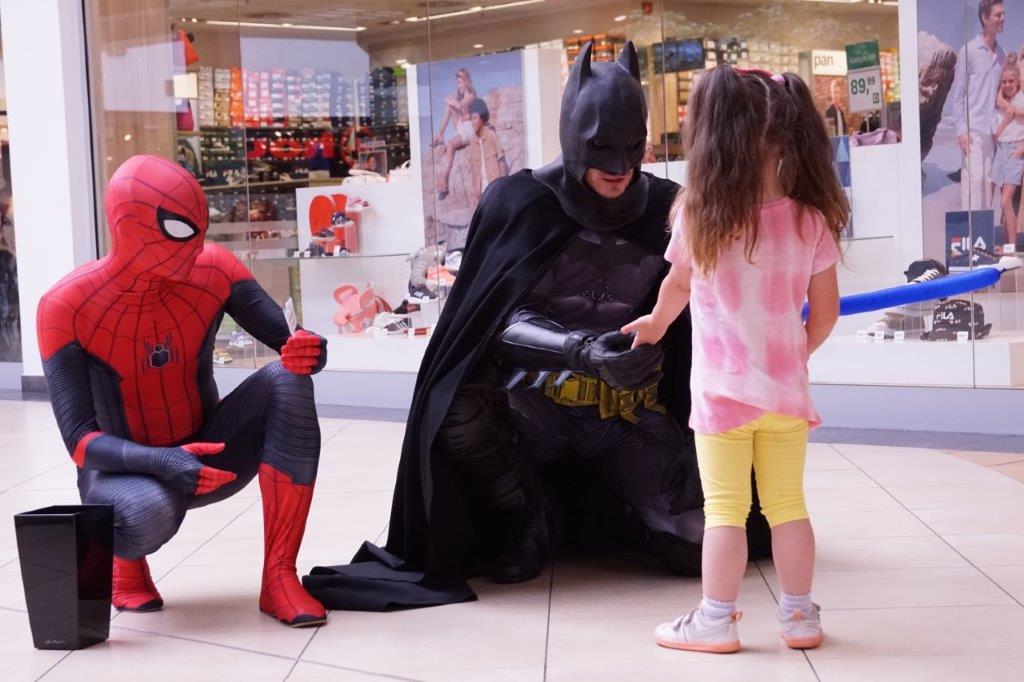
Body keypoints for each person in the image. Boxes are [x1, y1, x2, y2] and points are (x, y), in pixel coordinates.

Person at [303, 42, 771, 611]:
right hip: (534, 407)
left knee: (696, 548)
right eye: (601, 148)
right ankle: (530, 517)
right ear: (573, 137)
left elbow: (708, 322)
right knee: (459, 408)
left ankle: (620, 516)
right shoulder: (520, 203)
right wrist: (578, 350)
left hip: (628, 412)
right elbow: (488, 322)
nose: (618, 168)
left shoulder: (670, 210)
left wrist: (699, 428)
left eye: (631, 149)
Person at [38, 155, 330, 627]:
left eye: (201, 228)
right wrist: (164, 463)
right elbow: (79, 443)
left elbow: (291, 344)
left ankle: (279, 575)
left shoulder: (215, 269)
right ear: (127, 225)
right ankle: (126, 564)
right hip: (128, 475)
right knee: (144, 514)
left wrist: (310, 351)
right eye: (178, 230)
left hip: (211, 452)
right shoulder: (66, 306)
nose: (195, 245)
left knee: (287, 379)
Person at [623, 66, 846, 653]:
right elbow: (825, 313)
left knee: (724, 509)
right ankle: (799, 618)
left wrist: (655, 324)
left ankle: (716, 620)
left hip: (722, 396)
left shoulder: (699, 214)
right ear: (789, 137)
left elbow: (676, 285)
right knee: (787, 504)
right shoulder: (810, 219)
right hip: (785, 396)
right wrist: (793, 357)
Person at [950, 0, 1006, 210]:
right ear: (985, 17)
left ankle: (983, 228)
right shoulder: (969, 51)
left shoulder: (1002, 54)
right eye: (998, 15)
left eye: (1003, 14)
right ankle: (970, 228)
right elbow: (958, 94)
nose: (1002, 19)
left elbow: (1000, 94)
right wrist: (961, 130)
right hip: (972, 129)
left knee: (987, 182)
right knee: (973, 181)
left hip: (991, 131)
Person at [992, 55, 1024, 247]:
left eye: (1011, 81)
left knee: (1006, 201)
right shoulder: (1004, 101)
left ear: (1018, 81)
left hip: (1014, 151)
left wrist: (1021, 150)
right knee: (1004, 204)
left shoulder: (1022, 99)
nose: (1007, 85)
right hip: (1001, 151)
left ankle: (1011, 247)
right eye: (1004, 82)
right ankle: (1006, 245)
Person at [432, 68, 477, 200]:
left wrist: (453, 102)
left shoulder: (471, 96)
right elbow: (456, 106)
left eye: (459, 82)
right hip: (461, 126)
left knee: (450, 145)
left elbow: (462, 107)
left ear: (466, 82)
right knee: (449, 107)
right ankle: (440, 134)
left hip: (469, 129)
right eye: (457, 83)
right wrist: (451, 102)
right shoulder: (461, 98)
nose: (458, 86)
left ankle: (443, 182)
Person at [465, 97, 509, 203]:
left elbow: (501, 162)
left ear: (482, 118)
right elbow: (474, 168)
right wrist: (475, 188)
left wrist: (503, 186)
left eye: (474, 118)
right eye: (471, 119)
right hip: (482, 190)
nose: (472, 122)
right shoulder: (472, 141)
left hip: (495, 186)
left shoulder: (492, 135)